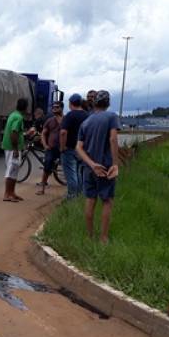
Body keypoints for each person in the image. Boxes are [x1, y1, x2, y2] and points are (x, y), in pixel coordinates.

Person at [75, 90, 119, 243]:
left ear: (94, 104)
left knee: (90, 199)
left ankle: (89, 236)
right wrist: (115, 164)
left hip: (90, 169)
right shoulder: (111, 117)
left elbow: (78, 148)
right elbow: (113, 139)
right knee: (107, 201)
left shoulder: (86, 122)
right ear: (108, 103)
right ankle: (103, 237)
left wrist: (92, 164)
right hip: (106, 167)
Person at [59, 93, 89, 199]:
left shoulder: (70, 115)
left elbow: (63, 132)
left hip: (70, 149)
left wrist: (62, 147)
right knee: (78, 172)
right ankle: (80, 195)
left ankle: (72, 197)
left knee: (71, 174)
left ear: (71, 103)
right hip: (82, 150)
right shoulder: (87, 115)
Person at [2, 98, 28, 202]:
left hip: (12, 147)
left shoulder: (14, 114)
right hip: (12, 148)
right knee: (11, 170)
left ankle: (12, 193)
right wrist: (15, 149)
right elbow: (14, 133)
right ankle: (7, 194)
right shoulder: (18, 118)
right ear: (25, 108)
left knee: (14, 170)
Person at [36, 102, 63, 195]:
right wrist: (45, 145)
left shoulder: (66, 120)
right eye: (53, 107)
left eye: (57, 107)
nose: (54, 109)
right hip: (51, 148)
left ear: (62, 108)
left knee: (68, 167)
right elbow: (43, 133)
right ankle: (42, 188)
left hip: (63, 149)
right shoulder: (49, 121)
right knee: (47, 166)